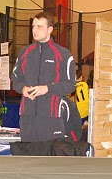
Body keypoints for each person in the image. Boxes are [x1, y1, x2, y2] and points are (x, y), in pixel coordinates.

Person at [11, 11, 76, 142]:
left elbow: (70, 85)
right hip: (27, 117)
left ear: (50, 29)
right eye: (33, 26)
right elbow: (15, 80)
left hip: (52, 118)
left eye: (39, 27)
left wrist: (47, 89)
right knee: (29, 153)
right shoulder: (24, 53)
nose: (34, 30)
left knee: (50, 154)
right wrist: (23, 89)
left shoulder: (63, 54)